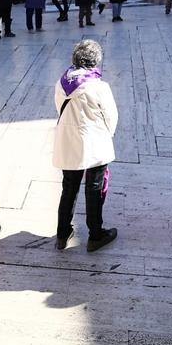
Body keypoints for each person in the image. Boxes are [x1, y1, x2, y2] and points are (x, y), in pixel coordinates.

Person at [54, 40, 119, 252]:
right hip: (94, 142)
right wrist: (106, 135)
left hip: (68, 140)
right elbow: (111, 117)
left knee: (69, 188)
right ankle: (95, 235)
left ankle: (62, 234)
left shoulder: (62, 83)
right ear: (95, 61)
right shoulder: (99, 87)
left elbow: (59, 109)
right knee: (94, 189)